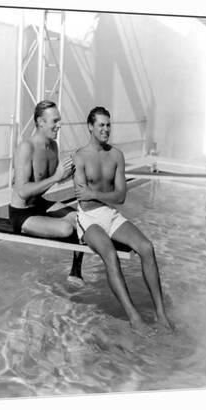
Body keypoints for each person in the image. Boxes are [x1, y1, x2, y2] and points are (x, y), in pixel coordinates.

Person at [73, 106, 174, 337]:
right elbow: (83, 199)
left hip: (109, 213)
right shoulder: (80, 157)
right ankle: (134, 317)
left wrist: (96, 194)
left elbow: (120, 196)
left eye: (109, 125)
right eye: (101, 125)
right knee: (109, 253)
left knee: (147, 248)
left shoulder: (116, 155)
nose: (106, 129)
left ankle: (161, 315)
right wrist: (93, 197)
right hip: (88, 218)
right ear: (90, 127)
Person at [9, 100, 83, 282]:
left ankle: (76, 272)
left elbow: (51, 180)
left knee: (82, 220)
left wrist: (68, 171)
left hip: (40, 205)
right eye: (55, 121)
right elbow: (22, 192)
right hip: (22, 212)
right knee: (67, 229)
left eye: (59, 121)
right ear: (41, 122)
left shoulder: (53, 146)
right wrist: (57, 177)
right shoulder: (27, 147)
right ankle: (28, 229)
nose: (59, 125)